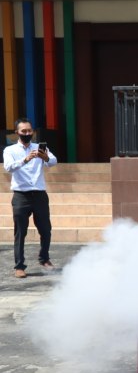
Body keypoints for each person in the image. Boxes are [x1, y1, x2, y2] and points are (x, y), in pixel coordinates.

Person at [3, 118, 57, 278]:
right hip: (21, 195)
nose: (27, 134)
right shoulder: (10, 150)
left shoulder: (39, 148)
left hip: (39, 194)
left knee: (46, 230)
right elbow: (8, 167)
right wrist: (25, 159)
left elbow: (54, 162)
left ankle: (44, 259)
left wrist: (44, 157)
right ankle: (19, 266)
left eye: (29, 131)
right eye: (23, 131)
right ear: (17, 133)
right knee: (20, 232)